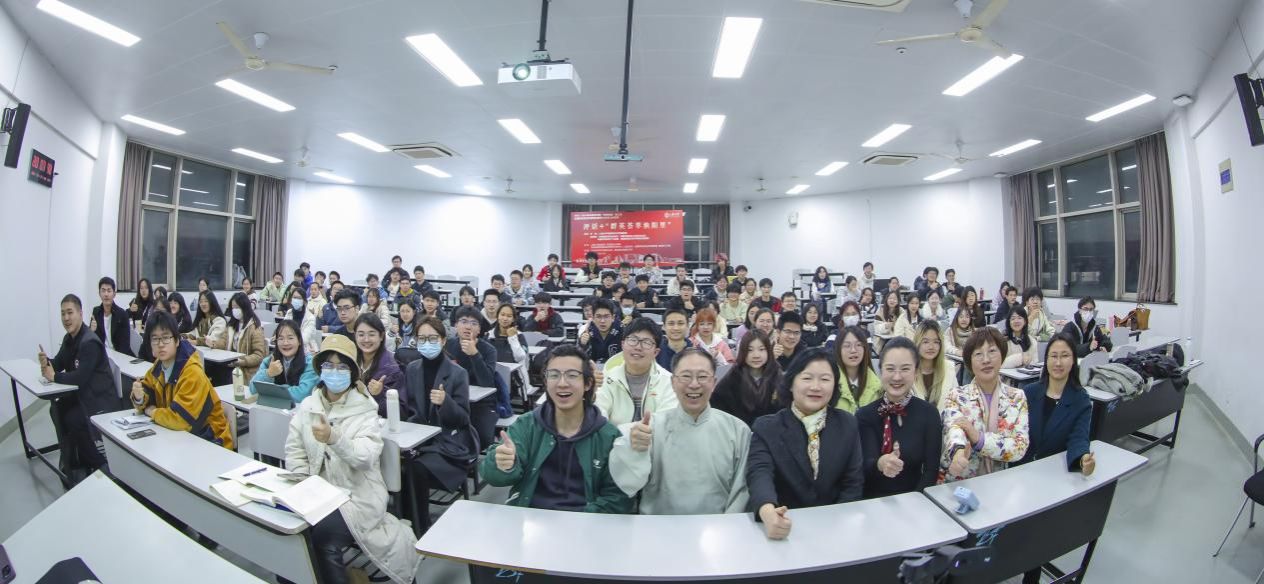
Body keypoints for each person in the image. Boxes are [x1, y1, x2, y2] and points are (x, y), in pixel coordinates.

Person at [284, 335, 420, 584]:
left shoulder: (365, 410)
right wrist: (303, 483)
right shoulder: (308, 406)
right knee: (287, 531)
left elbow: (365, 457)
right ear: (320, 369)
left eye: (342, 367)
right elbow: (295, 450)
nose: (334, 372)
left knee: (322, 537)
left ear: (353, 372)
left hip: (357, 497)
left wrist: (334, 438)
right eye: (329, 365)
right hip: (316, 492)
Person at [481, 345, 632, 513]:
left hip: (585, 522)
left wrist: (582, 520)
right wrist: (503, 464)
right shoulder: (527, 426)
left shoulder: (608, 436)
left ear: (588, 384)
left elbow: (618, 497)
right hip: (531, 518)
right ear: (545, 382)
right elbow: (493, 476)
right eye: (553, 375)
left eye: (572, 375)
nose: (562, 383)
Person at [610, 348, 750, 514]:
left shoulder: (737, 430)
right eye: (686, 376)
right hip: (659, 525)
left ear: (714, 383)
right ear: (673, 382)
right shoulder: (649, 428)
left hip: (717, 526)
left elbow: (741, 491)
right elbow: (628, 484)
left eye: (702, 376)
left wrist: (727, 525)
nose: (694, 384)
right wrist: (634, 451)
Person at [746, 348, 864, 540]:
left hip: (835, 529)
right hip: (785, 527)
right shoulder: (767, 428)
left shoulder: (847, 424)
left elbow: (853, 482)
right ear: (791, 383)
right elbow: (759, 474)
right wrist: (768, 512)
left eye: (825, 379)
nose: (815, 387)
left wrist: (839, 526)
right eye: (807, 378)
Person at [130, 311, 234, 448]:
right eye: (155, 339)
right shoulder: (159, 365)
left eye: (166, 338)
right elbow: (147, 390)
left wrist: (152, 412)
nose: (160, 344)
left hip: (210, 441)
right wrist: (139, 398)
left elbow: (180, 420)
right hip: (180, 436)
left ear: (177, 340)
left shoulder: (192, 372)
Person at [856, 336, 943, 498]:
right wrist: (880, 463)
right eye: (890, 369)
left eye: (905, 369)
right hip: (872, 502)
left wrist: (915, 501)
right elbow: (862, 467)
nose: (897, 377)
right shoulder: (864, 415)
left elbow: (931, 471)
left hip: (916, 499)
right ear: (880, 371)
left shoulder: (929, 414)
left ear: (916, 372)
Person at [39, 294, 113, 483]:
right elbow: (59, 362)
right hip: (83, 395)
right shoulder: (70, 339)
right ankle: (73, 457)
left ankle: (98, 463)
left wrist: (54, 376)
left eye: (70, 312)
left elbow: (80, 378)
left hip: (98, 399)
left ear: (80, 313)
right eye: (63, 314)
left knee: (73, 418)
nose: (66, 318)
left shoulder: (90, 342)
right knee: (56, 409)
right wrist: (47, 362)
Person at [939, 327, 1030, 482]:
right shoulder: (957, 395)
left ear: (1002, 356)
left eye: (992, 351)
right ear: (969, 362)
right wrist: (958, 453)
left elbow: (1019, 447)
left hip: (1000, 481)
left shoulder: (1016, 397)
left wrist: (978, 438)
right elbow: (954, 430)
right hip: (961, 480)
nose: (986, 360)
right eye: (978, 354)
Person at [402, 317, 480, 496]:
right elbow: (411, 409)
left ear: (443, 341)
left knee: (416, 469)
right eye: (422, 339)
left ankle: (420, 515)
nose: (427, 343)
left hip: (449, 441)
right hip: (419, 438)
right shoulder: (412, 369)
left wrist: (446, 402)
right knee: (399, 466)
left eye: (432, 338)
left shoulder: (458, 373)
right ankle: (407, 513)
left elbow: (463, 418)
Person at [596, 318, 678, 427]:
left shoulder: (669, 382)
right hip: (614, 438)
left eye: (646, 342)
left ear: (656, 352)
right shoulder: (607, 379)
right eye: (633, 340)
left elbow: (665, 425)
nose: (638, 347)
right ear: (622, 344)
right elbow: (599, 421)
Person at [710, 330, 782, 427]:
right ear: (743, 352)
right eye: (750, 350)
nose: (756, 355)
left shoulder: (777, 375)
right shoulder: (733, 377)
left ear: (768, 351)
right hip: (739, 430)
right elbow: (717, 406)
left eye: (761, 349)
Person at [250, 319, 318, 403]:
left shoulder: (309, 363)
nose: (285, 343)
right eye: (281, 338)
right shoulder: (270, 361)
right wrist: (268, 374)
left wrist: (269, 391)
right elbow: (253, 389)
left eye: (290, 338)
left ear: (299, 341)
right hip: (272, 407)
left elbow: (302, 394)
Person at [352, 313, 404, 418]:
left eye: (371, 334)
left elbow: (401, 413)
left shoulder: (392, 369)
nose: (366, 339)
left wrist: (380, 394)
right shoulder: (349, 362)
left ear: (381, 336)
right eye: (361, 335)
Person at [834, 325, 882, 413]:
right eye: (847, 346)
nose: (853, 350)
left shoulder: (878, 387)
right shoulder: (830, 385)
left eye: (858, 345)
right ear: (838, 350)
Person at [911, 321, 956, 408]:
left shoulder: (949, 368)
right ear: (917, 343)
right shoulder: (908, 370)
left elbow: (955, 401)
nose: (931, 347)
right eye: (925, 342)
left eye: (936, 342)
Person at [224, 292, 267, 380]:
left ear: (244, 307)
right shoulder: (231, 325)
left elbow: (259, 355)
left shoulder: (254, 327)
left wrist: (243, 361)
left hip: (247, 371)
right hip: (231, 367)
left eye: (237, 307)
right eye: (233, 307)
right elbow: (224, 341)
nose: (235, 310)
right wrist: (213, 343)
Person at [89, 277, 132, 355]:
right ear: (99, 294)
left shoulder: (122, 314)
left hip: (119, 356)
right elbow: (91, 340)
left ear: (114, 294)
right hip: (102, 355)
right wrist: (91, 331)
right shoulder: (96, 312)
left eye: (109, 291)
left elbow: (125, 345)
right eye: (103, 291)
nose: (106, 294)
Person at [579, 299, 623, 365]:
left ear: (613, 317)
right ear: (593, 318)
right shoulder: (587, 331)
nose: (602, 321)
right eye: (598, 317)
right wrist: (582, 344)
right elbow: (580, 358)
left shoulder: (623, 332)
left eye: (606, 316)